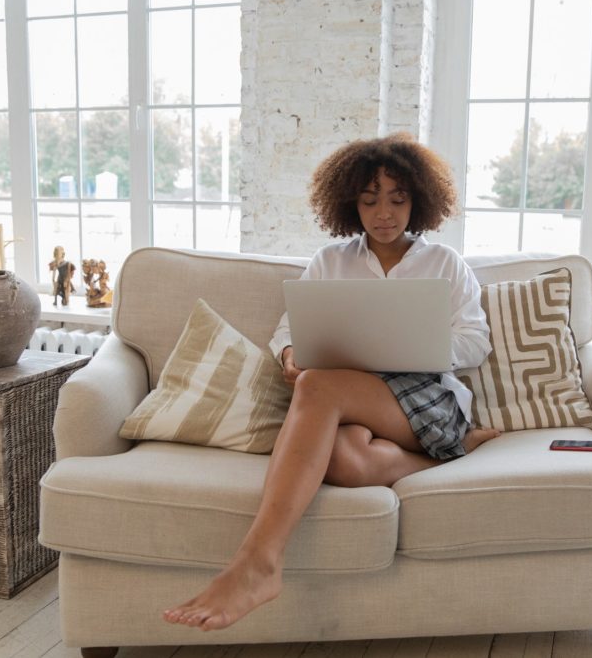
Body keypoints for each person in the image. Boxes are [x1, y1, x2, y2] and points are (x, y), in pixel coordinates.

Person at [162, 133, 500, 631]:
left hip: (428, 398)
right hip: (358, 407)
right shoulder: (330, 261)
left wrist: (417, 345)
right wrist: (291, 351)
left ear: (419, 200)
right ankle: (446, 454)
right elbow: (286, 328)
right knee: (339, 457)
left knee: (317, 386)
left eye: (397, 199)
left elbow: (476, 341)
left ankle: (257, 564)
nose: (384, 213)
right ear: (349, 204)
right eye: (369, 201)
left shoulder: (444, 263)